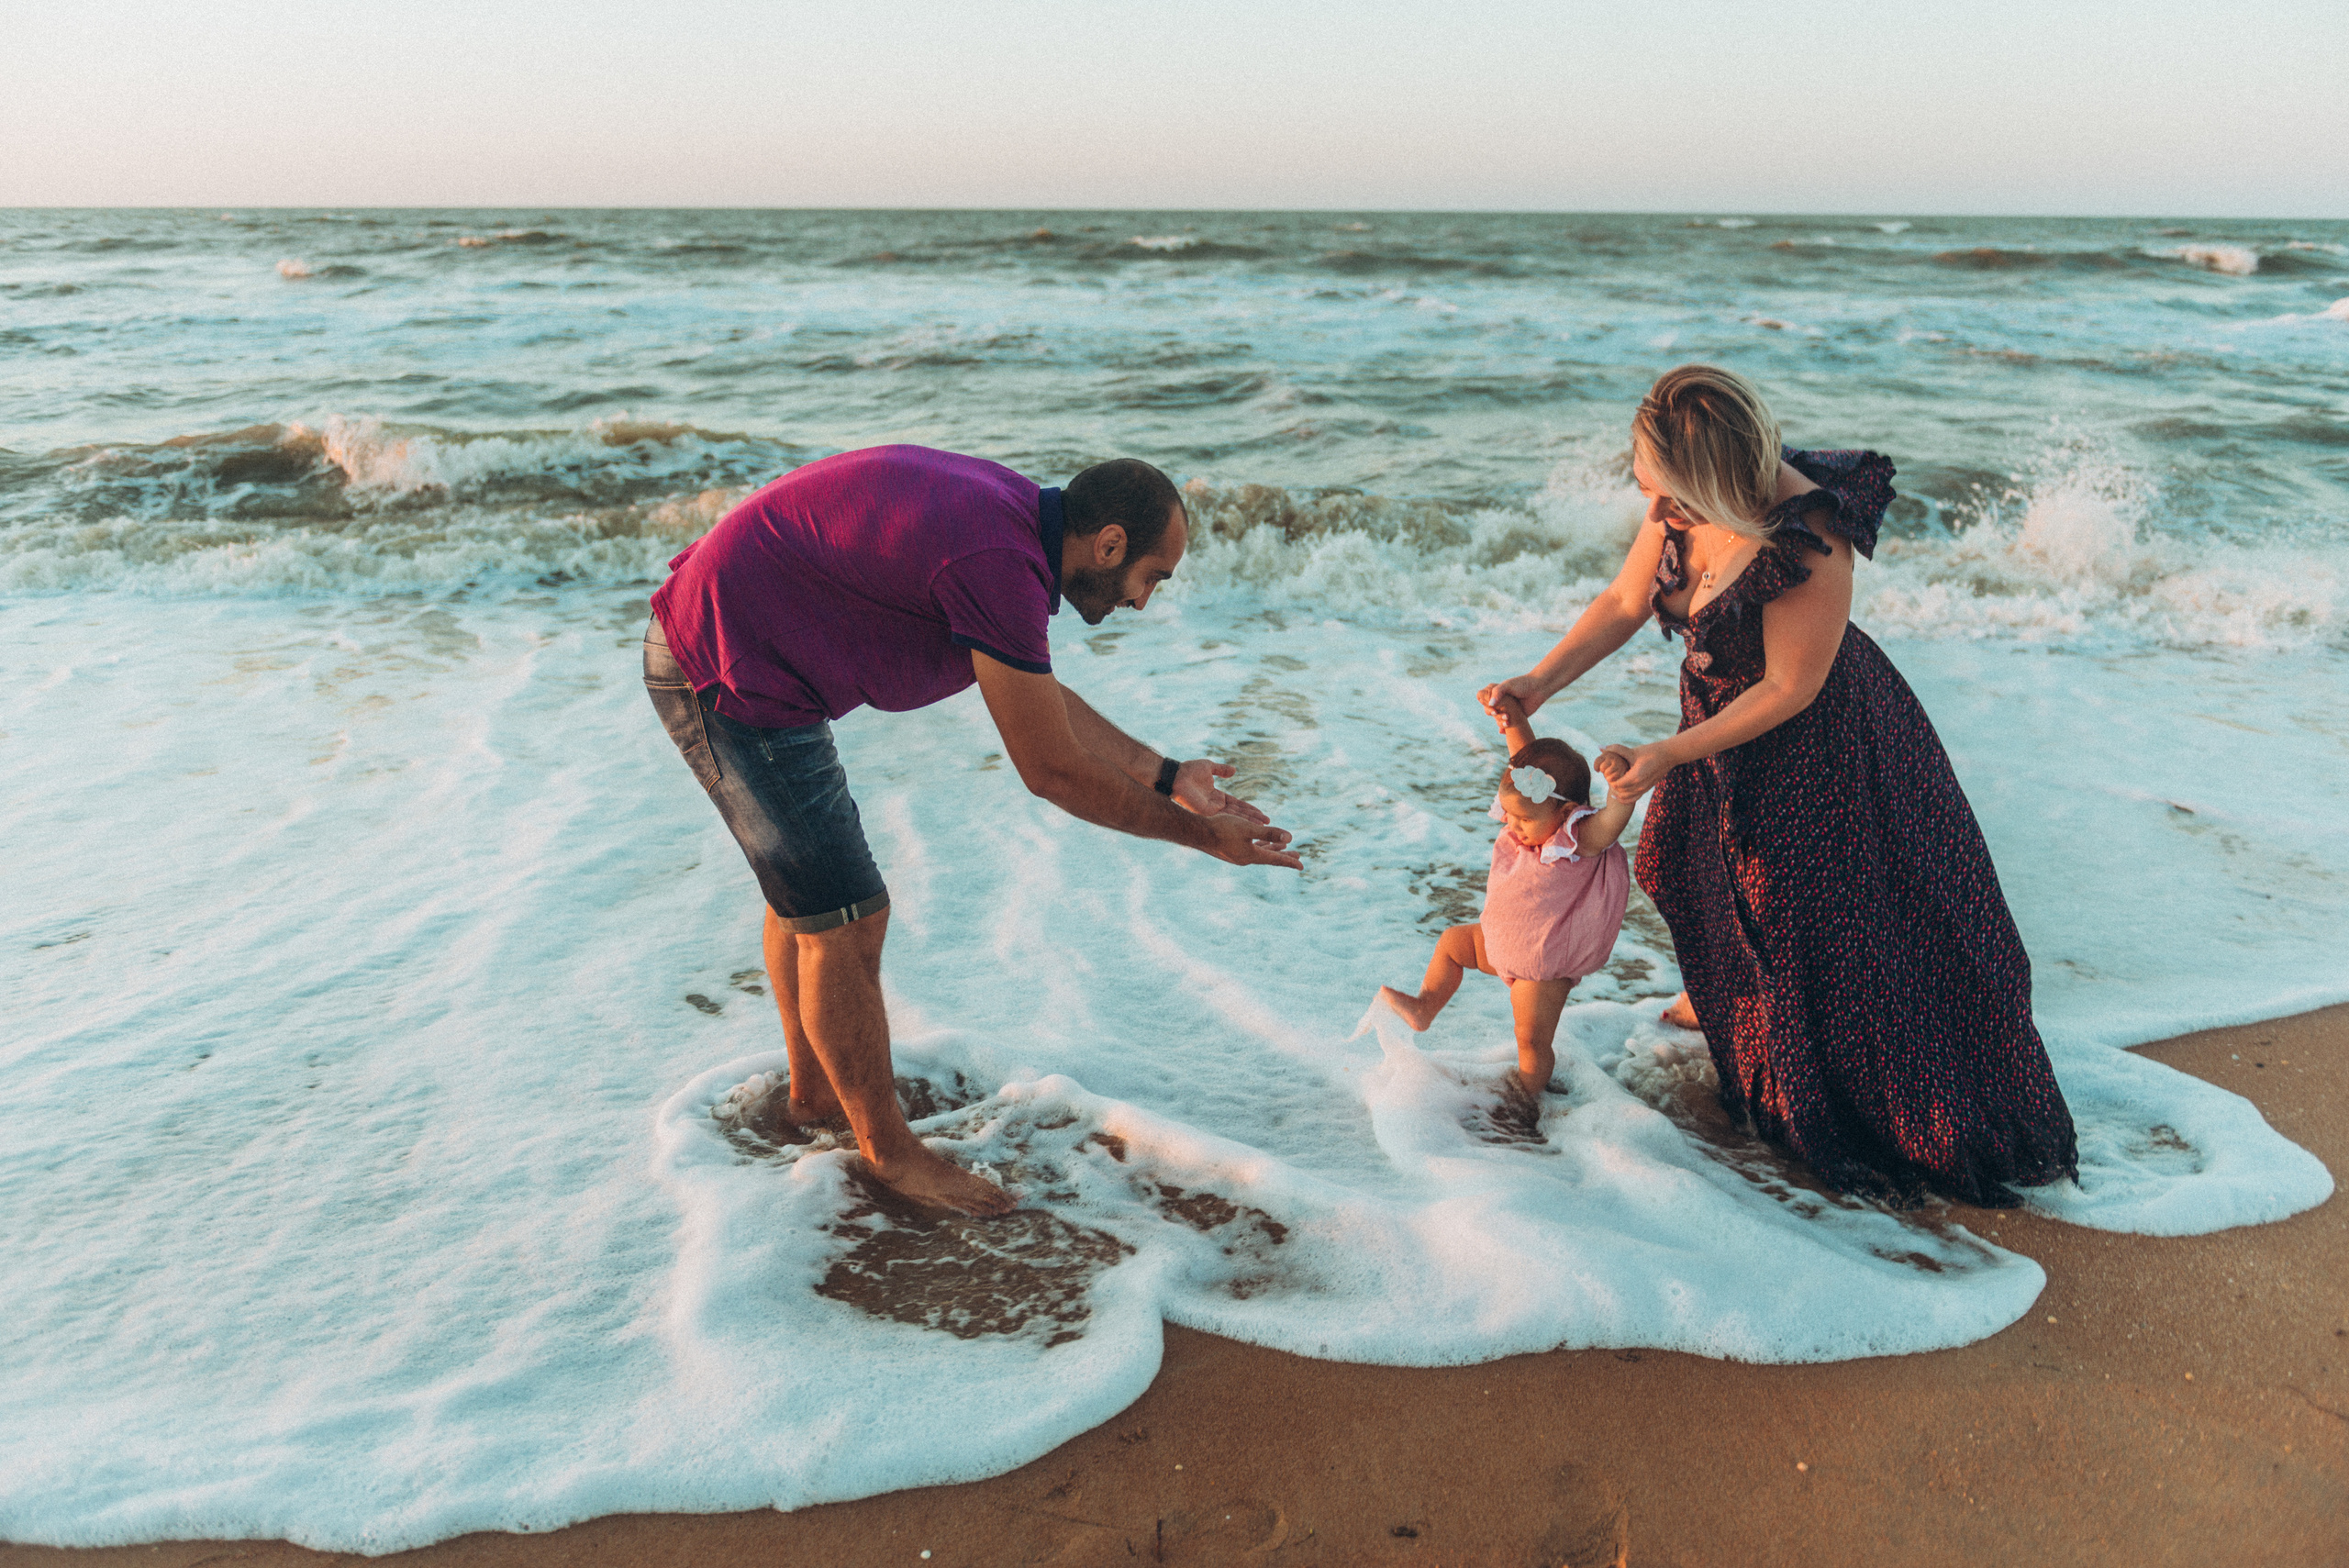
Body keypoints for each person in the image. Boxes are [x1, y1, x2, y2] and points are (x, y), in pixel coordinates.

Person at [643, 445, 1301, 1217]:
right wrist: (1204, 838)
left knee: (818, 900)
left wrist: (1167, 774)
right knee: (846, 917)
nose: (1145, 601)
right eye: (1151, 577)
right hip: (722, 667)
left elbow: (1038, 695)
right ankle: (889, 1154)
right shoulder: (998, 559)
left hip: (753, 655)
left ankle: (816, 1097)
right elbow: (1050, 768)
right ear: (1109, 544)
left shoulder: (1013, 531)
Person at [1486, 366, 2077, 1207]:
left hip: (1818, 745)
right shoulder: (1676, 509)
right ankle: (1734, 1013)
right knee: (1686, 870)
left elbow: (1790, 686)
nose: (1649, 502)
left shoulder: (1810, 536)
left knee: (1814, 919)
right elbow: (1624, 600)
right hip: (1715, 731)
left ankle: (1833, 1088)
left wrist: (1670, 751)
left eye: (1662, 487)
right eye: (1646, 480)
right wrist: (1538, 683)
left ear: (1711, 480)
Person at [1375, 692, 1641, 1103]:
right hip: (1500, 943)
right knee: (1451, 944)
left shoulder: (1577, 840)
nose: (1513, 826)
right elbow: (1523, 758)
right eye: (1509, 814)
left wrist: (1621, 787)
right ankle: (1424, 1008)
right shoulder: (1531, 817)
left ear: (1567, 812)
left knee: (1530, 1040)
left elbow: (1613, 821)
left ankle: (1527, 1102)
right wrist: (1512, 716)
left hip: (1541, 968)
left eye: (1524, 818)